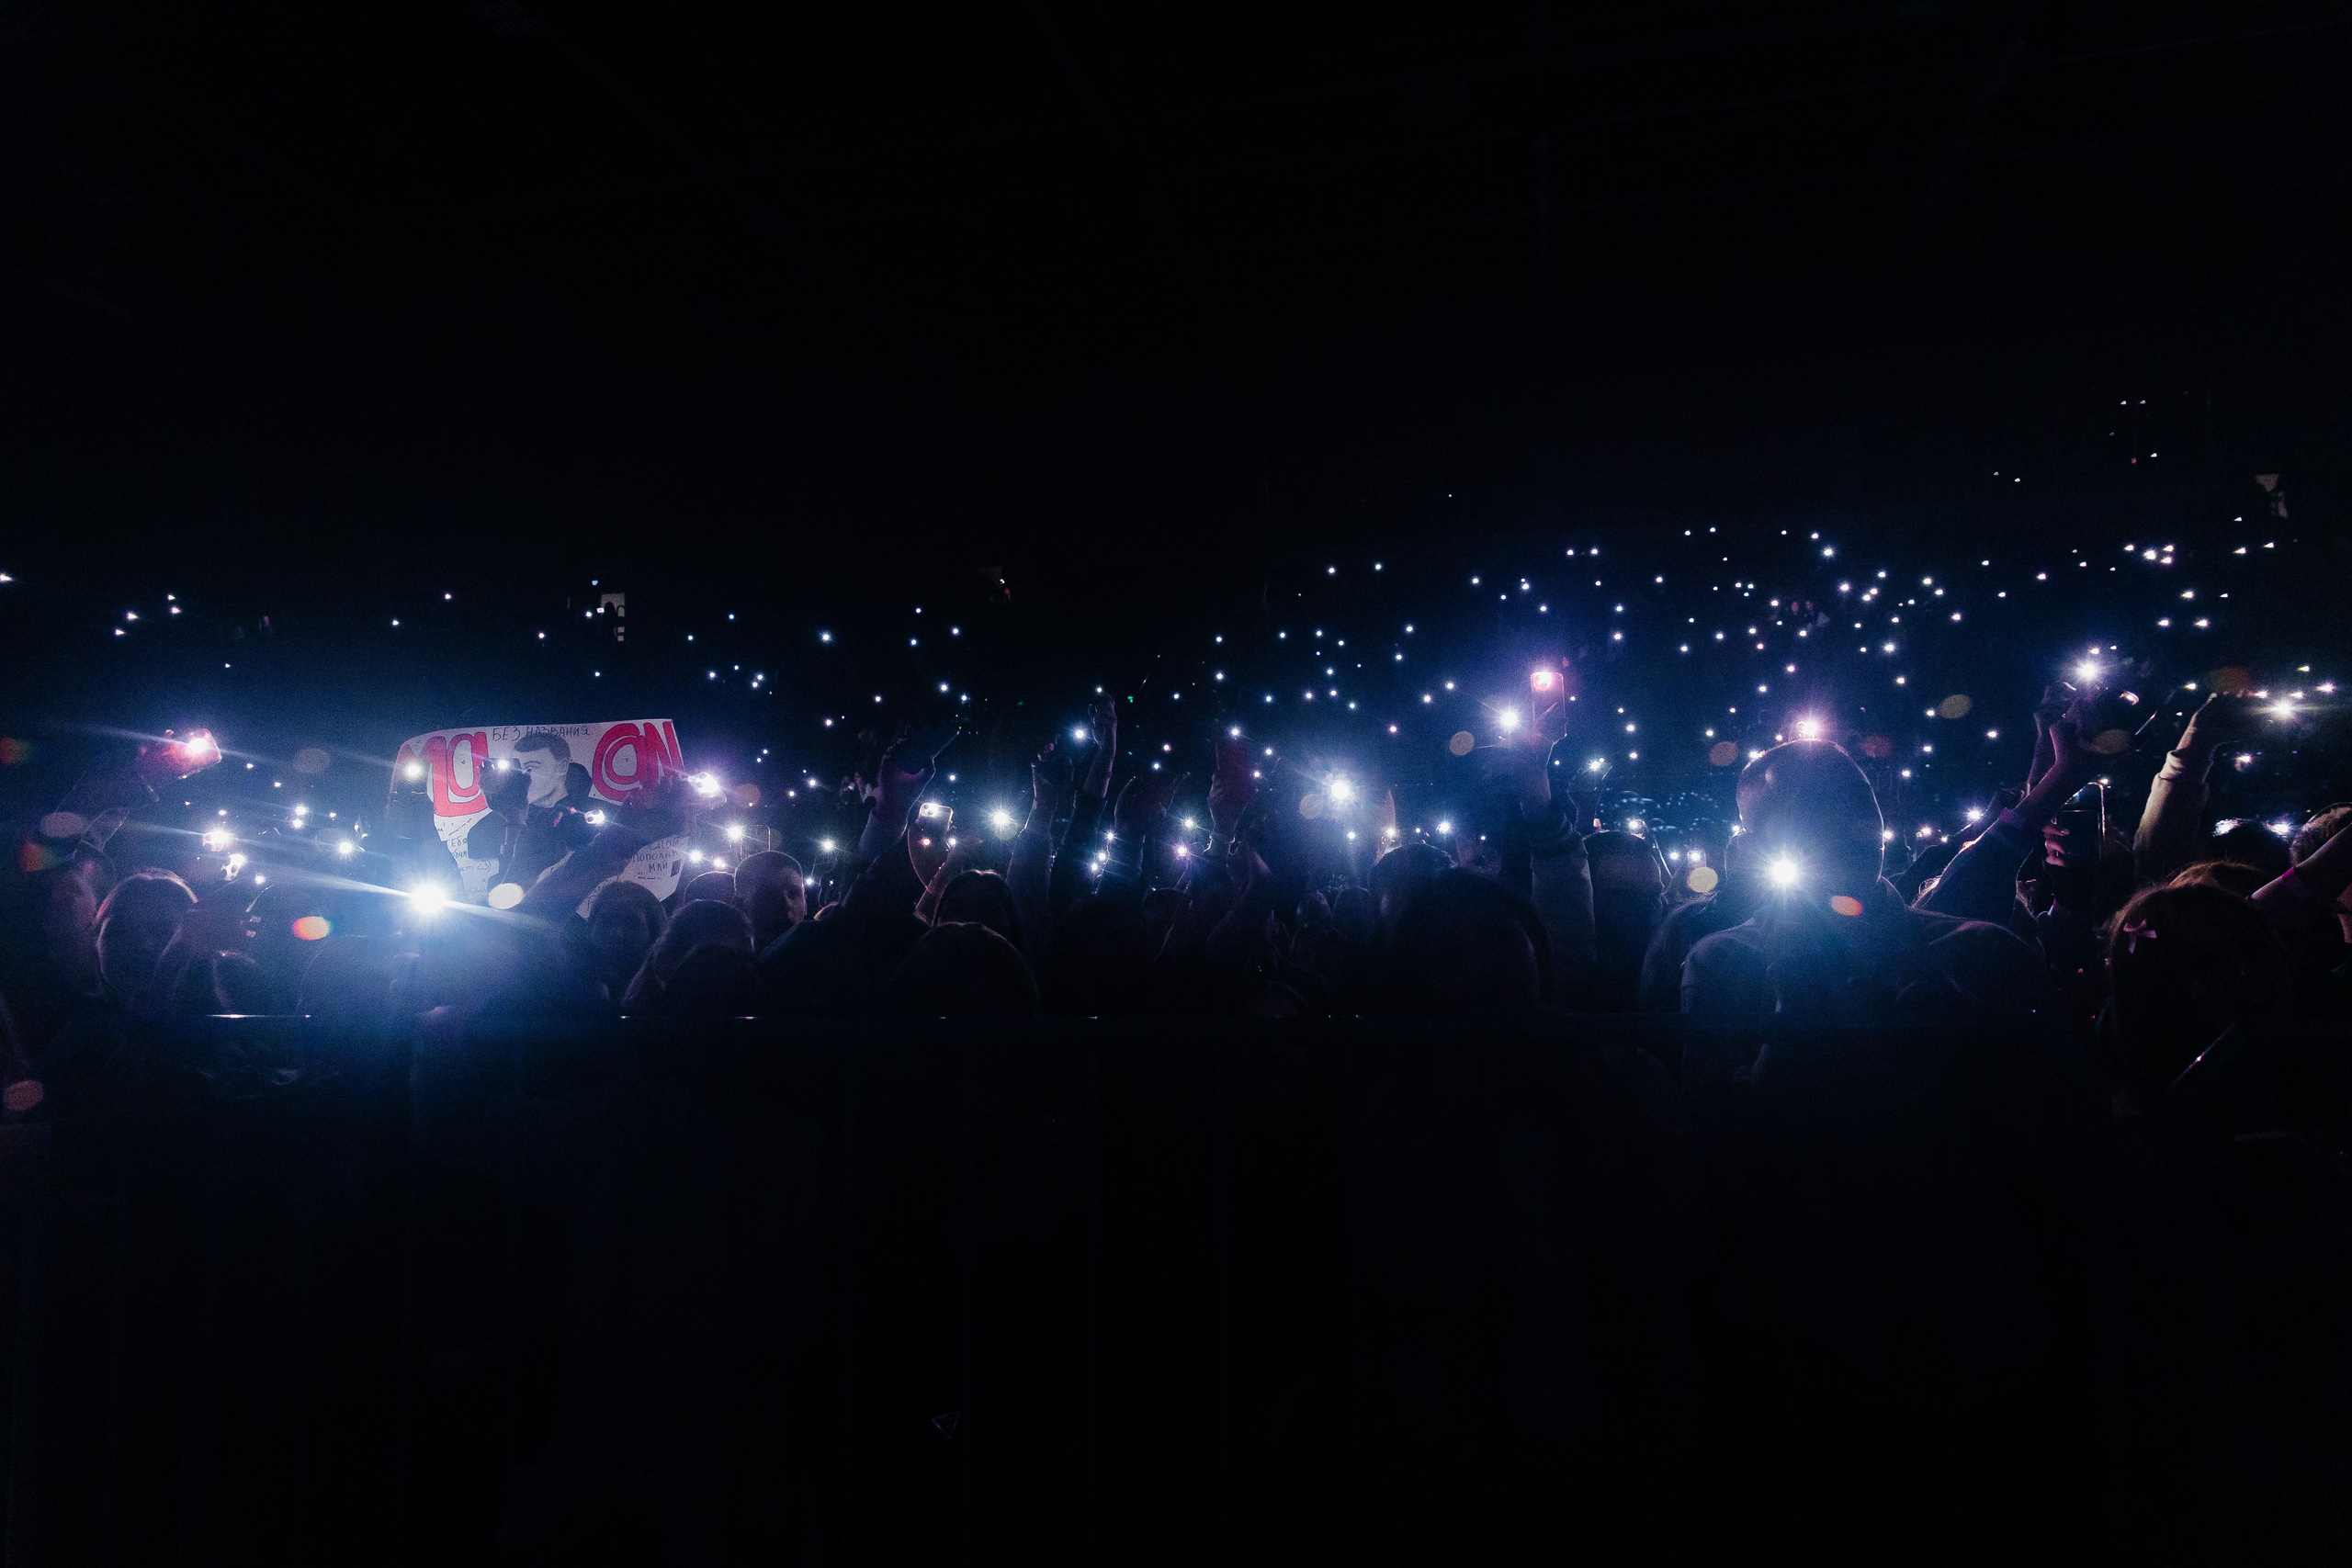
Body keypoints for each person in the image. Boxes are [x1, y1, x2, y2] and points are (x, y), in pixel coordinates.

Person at [1679, 742, 2059, 1018]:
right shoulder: (1724, 962)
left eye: (1859, 799)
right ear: (1753, 844)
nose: (1847, 823)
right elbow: (1715, 1120)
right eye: (1811, 807)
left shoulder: (1983, 948)